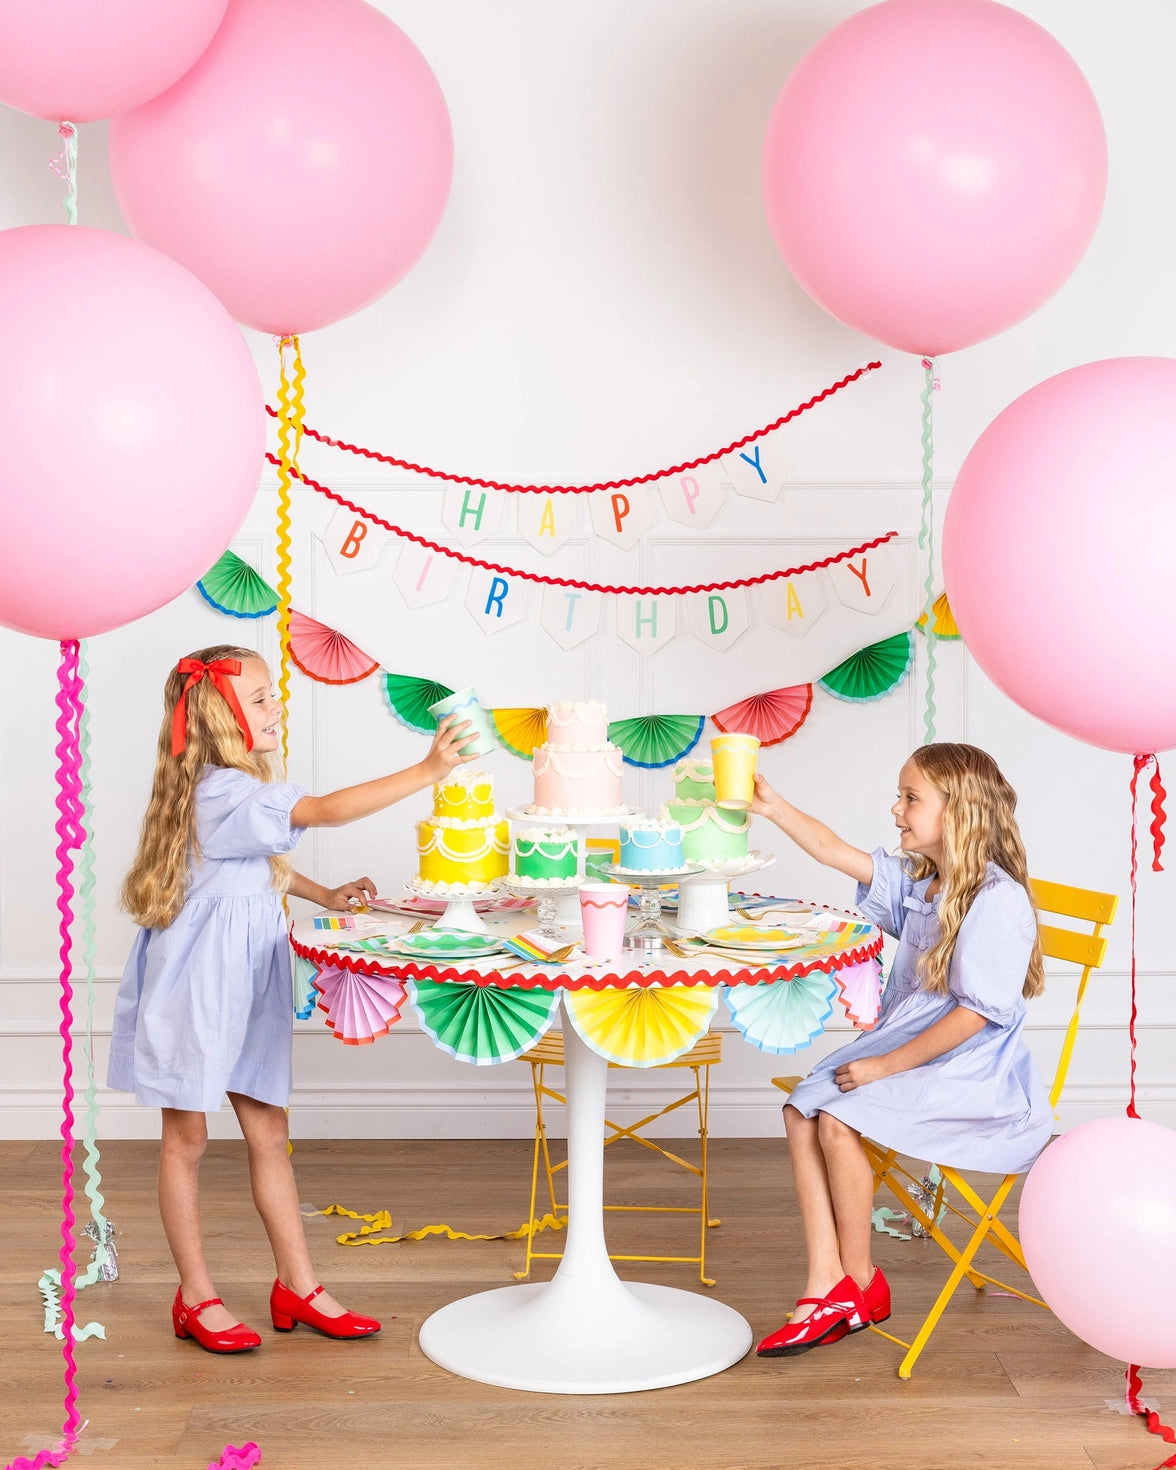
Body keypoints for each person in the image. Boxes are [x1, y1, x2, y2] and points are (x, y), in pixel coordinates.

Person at [107, 644, 475, 1353]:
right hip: (198, 987)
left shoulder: (230, 795)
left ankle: (297, 1285)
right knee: (186, 1140)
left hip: (248, 976)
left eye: (273, 695)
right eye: (262, 697)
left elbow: (257, 865)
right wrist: (429, 770)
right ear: (220, 713)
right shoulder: (222, 792)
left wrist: (323, 894)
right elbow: (329, 811)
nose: (277, 707)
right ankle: (195, 1297)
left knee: (269, 1134)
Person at [749, 742, 1051, 1358]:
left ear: (959, 810)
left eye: (911, 798)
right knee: (799, 1109)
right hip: (913, 1049)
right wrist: (773, 806)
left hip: (967, 1069)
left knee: (835, 1115)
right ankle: (830, 1282)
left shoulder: (997, 900)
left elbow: (973, 1015)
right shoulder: (927, 882)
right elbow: (838, 852)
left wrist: (885, 1065)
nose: (896, 810)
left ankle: (853, 1285)